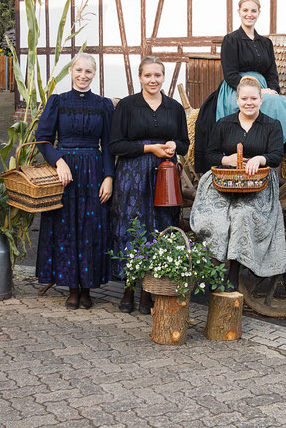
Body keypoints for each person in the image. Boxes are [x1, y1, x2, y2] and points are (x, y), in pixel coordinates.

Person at [109, 56, 190, 314]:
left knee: (161, 227)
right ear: (140, 77)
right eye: (148, 75)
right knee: (132, 228)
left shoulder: (174, 108)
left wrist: (174, 145)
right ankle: (129, 289)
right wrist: (148, 148)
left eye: (157, 75)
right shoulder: (127, 106)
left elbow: (185, 144)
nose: (153, 80)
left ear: (163, 77)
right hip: (132, 175)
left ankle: (149, 292)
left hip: (164, 175)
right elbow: (115, 145)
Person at [190, 76, 286, 288]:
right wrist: (227, 159)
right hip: (225, 181)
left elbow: (276, 155)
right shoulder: (224, 124)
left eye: (253, 98)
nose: (249, 102)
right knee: (216, 218)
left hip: (258, 184)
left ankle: (233, 277)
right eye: (244, 98)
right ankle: (213, 273)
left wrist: (260, 159)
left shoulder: (272, 125)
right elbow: (210, 154)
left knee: (242, 216)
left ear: (261, 100)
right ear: (237, 100)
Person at [194, 0, 286, 173]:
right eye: (245, 10)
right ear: (239, 12)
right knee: (270, 102)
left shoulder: (266, 43)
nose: (249, 14)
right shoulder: (231, 40)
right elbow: (230, 74)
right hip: (236, 89)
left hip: (262, 88)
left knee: (282, 101)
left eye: (253, 10)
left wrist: (271, 90)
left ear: (259, 13)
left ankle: (280, 161)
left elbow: (272, 72)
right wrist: (260, 91)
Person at [35, 53, 115, 310]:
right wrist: (58, 161)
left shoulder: (104, 105)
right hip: (65, 174)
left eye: (88, 72)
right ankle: (71, 287)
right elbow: (44, 139)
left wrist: (109, 176)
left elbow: (110, 145)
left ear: (95, 75)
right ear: (71, 71)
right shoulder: (57, 102)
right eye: (79, 70)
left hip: (94, 171)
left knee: (92, 228)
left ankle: (87, 288)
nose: (83, 76)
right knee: (66, 227)